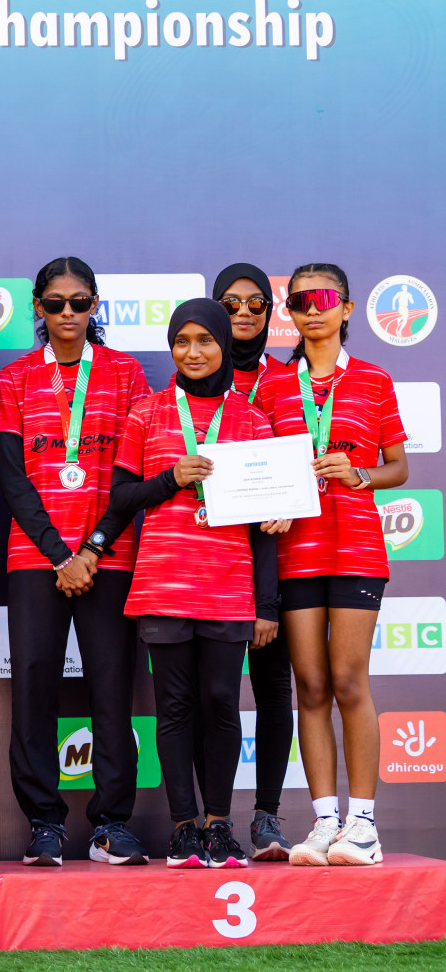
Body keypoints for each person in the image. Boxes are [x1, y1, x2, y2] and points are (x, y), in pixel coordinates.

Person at [105, 299, 282, 869]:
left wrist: (268, 603)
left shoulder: (253, 419)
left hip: (229, 587)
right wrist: (170, 477)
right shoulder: (148, 413)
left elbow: (265, 529)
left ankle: (220, 826)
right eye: (181, 341)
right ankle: (184, 828)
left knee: (222, 707)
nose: (194, 351)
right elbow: (122, 497)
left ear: (225, 346)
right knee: (175, 707)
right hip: (163, 583)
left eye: (205, 340)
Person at [0, 257, 151, 865]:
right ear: (37, 306)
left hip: (107, 555)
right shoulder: (14, 380)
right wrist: (61, 554)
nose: (66, 314)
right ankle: (44, 825)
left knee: (112, 687)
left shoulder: (128, 375)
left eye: (79, 303)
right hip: (37, 557)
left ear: (95, 306)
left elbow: (131, 474)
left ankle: (112, 825)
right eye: (55, 303)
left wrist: (91, 548)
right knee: (33, 684)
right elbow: (12, 477)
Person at [257, 264, 409, 866]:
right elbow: (261, 470)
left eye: (324, 299)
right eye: (299, 300)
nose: (311, 309)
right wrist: (270, 506)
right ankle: (325, 822)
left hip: (355, 548)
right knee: (311, 686)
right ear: (288, 312)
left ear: (346, 308)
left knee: (349, 681)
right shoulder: (270, 387)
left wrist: (361, 473)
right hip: (296, 553)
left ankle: (364, 826)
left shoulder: (373, 380)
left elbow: (398, 466)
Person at [209, 263, 293, 860]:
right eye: (230, 303)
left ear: (270, 313)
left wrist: (288, 498)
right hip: (209, 565)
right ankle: (208, 822)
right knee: (211, 697)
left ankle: (267, 817)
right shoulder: (193, 378)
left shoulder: (290, 382)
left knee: (271, 690)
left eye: (255, 304)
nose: (243, 313)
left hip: (277, 559)